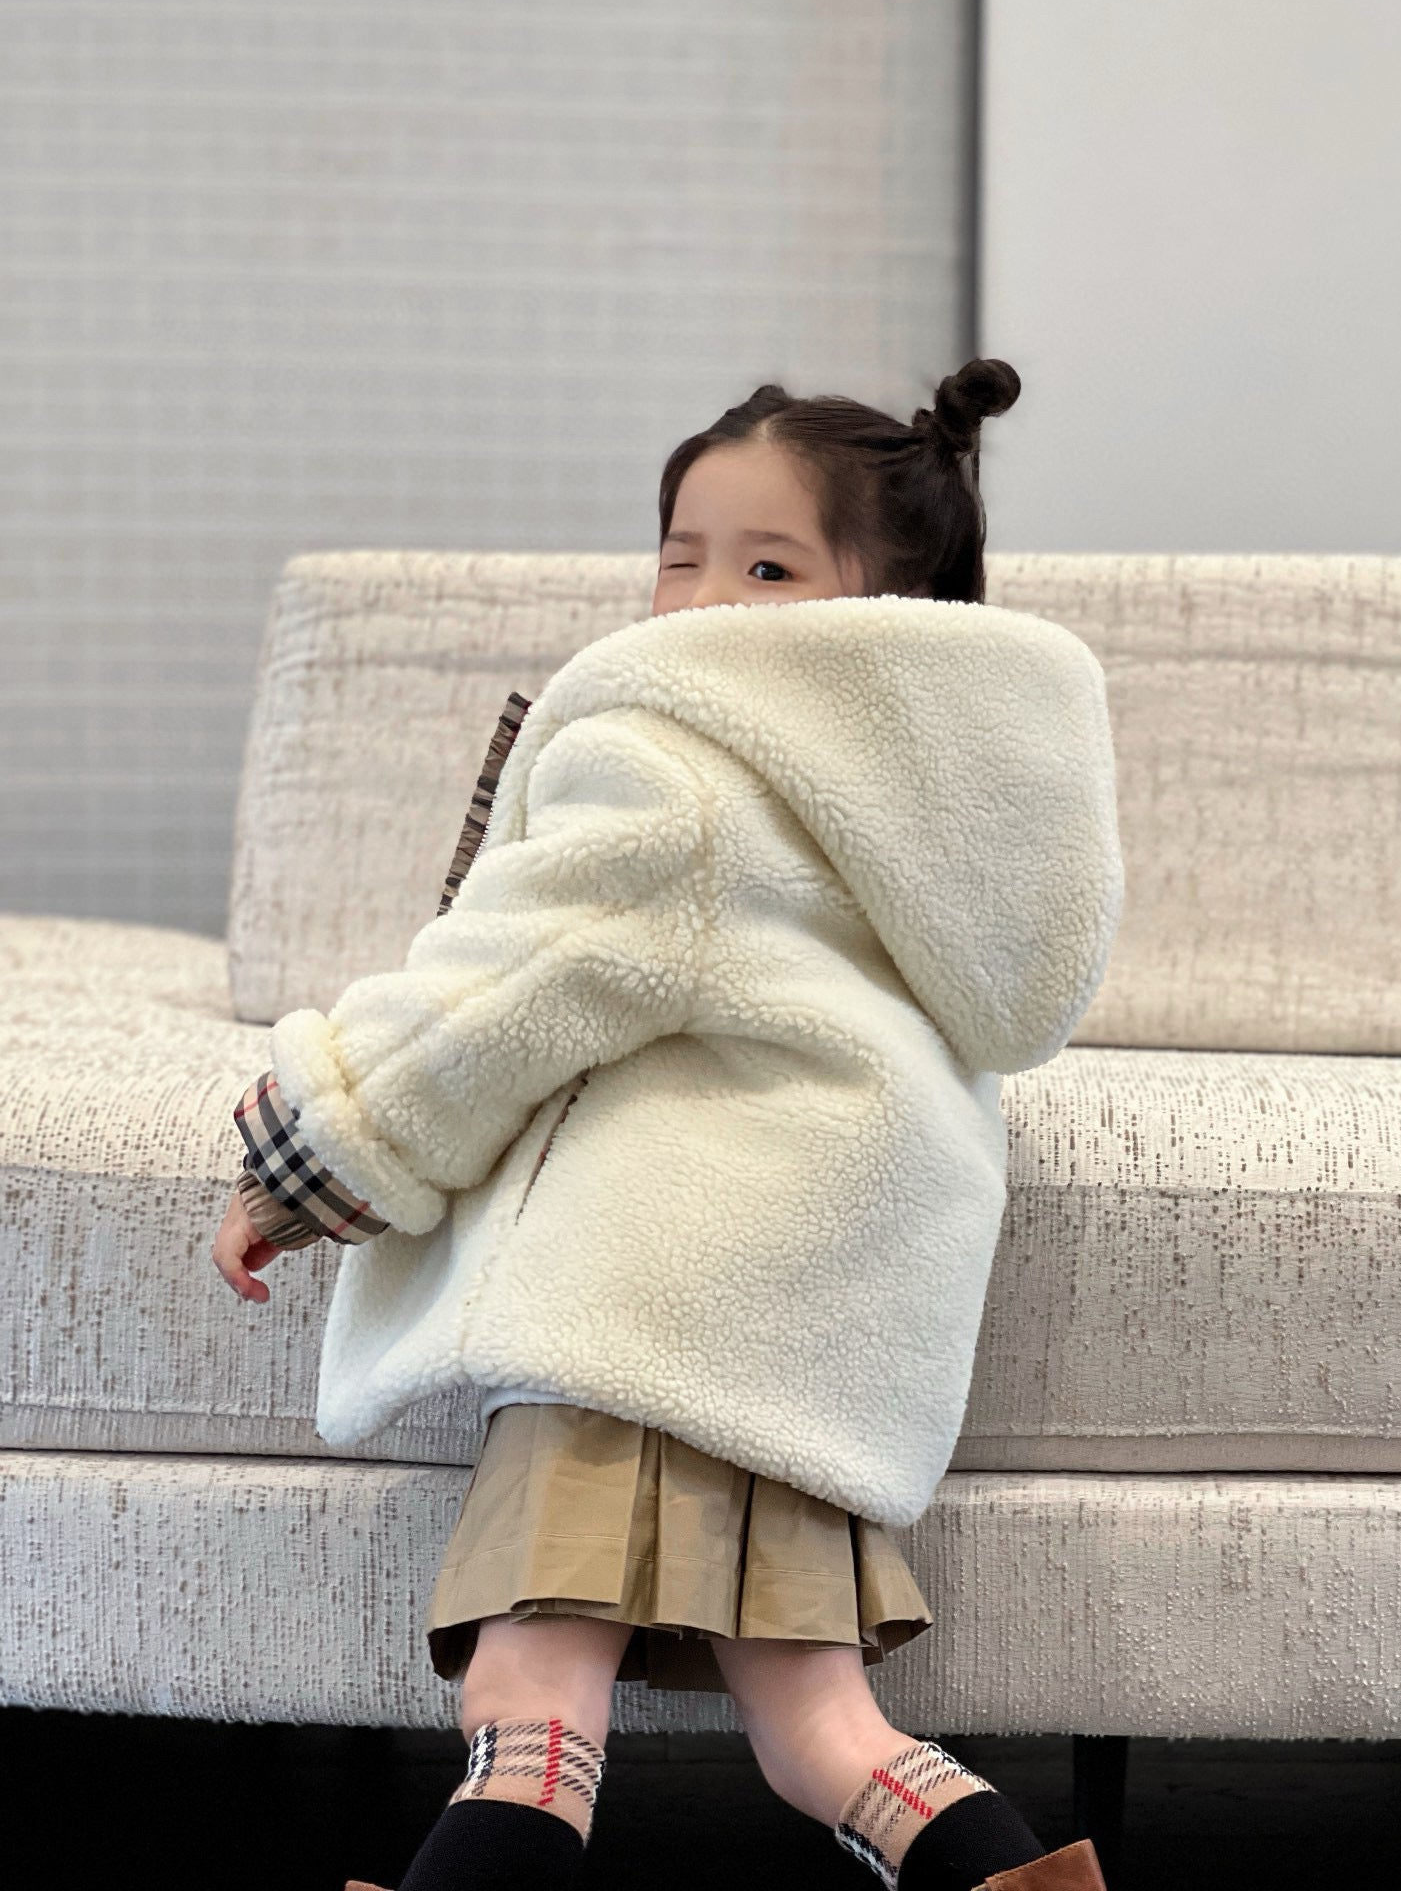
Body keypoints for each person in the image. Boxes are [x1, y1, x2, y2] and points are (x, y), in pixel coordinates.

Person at [210, 357, 1124, 1891]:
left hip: (647, 1294)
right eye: (679, 556)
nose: (699, 604)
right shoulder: (943, 807)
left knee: (529, 1706)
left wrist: (306, 1166)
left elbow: (507, 989)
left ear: (883, 608)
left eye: (765, 569)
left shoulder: (677, 759)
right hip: (819, 1332)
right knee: (827, 1734)